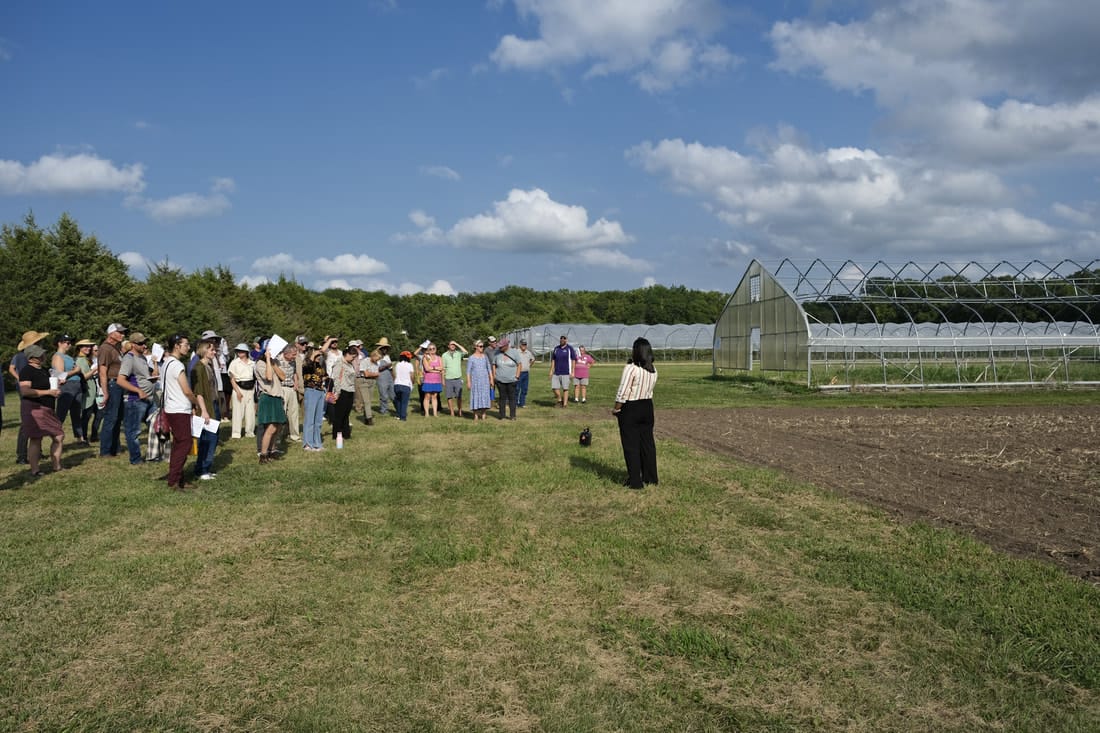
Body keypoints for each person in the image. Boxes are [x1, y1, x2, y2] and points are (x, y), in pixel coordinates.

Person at [161, 334, 207, 491]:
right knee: (184, 444)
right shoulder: (177, 365)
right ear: (177, 346)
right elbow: (186, 390)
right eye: (185, 344)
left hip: (171, 408)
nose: (188, 347)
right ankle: (174, 480)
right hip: (179, 409)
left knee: (179, 444)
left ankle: (179, 478)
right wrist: (196, 403)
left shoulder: (166, 363)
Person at [612, 338, 659, 490]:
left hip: (631, 407)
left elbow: (623, 391)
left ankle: (635, 481)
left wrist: (617, 408)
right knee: (647, 444)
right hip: (647, 406)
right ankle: (651, 477)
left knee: (631, 445)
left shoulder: (631, 368)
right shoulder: (653, 369)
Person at [17, 342, 65, 477]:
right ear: (32, 358)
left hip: (47, 408)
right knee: (36, 438)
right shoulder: (26, 370)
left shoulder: (43, 370)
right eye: (41, 354)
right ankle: (35, 470)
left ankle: (56, 466)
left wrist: (56, 388)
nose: (44, 355)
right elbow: (25, 391)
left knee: (59, 435)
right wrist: (48, 392)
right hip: (34, 407)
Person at [117, 332, 158, 465]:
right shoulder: (129, 358)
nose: (144, 345)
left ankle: (156, 454)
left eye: (145, 342)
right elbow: (120, 380)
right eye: (141, 343)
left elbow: (144, 376)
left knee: (156, 426)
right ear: (133, 344)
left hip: (149, 399)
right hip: (135, 400)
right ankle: (135, 459)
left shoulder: (142, 358)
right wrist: (138, 391)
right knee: (134, 431)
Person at [12, 330, 50, 464]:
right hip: (29, 391)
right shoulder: (22, 356)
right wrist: (19, 379)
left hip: (37, 391)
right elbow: (13, 369)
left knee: (37, 423)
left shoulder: (36, 355)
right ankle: (22, 455)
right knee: (26, 424)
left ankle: (36, 452)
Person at [189, 341, 221, 480]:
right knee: (207, 439)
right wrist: (203, 410)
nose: (214, 352)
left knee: (213, 438)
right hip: (206, 407)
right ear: (204, 351)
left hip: (214, 404)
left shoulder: (210, 366)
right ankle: (201, 469)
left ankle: (206, 467)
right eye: (212, 350)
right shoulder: (199, 367)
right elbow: (199, 392)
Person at [254, 342, 288, 463]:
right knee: (271, 427)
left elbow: (283, 377)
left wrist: (273, 363)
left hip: (277, 396)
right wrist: (268, 360)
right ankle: (263, 455)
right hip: (268, 396)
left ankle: (272, 450)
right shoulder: (259, 364)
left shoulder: (275, 362)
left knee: (278, 427)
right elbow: (268, 377)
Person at [97, 322, 127, 458]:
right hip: (112, 384)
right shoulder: (105, 348)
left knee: (117, 418)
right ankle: (105, 450)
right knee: (111, 417)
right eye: (120, 332)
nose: (122, 335)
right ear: (111, 334)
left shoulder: (116, 348)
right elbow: (102, 371)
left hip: (119, 385)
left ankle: (114, 448)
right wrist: (105, 391)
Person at [51, 335, 85, 440]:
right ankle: (56, 436)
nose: (69, 345)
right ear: (59, 343)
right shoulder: (58, 356)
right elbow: (60, 375)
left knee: (76, 413)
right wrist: (76, 371)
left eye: (70, 343)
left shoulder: (69, 357)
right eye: (66, 342)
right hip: (67, 386)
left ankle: (80, 437)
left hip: (76, 385)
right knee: (62, 413)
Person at [300, 345, 327, 451]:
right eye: (316, 353)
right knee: (310, 419)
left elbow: (324, 375)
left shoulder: (320, 364)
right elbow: (307, 369)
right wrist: (313, 355)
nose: (319, 354)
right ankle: (307, 443)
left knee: (318, 420)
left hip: (320, 391)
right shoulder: (306, 364)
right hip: (311, 391)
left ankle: (317, 443)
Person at [227, 344, 256, 439]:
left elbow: (255, 377)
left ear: (246, 352)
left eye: (242, 351)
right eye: (238, 351)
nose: (240, 352)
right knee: (237, 412)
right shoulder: (234, 363)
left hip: (250, 389)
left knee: (250, 412)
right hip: (239, 388)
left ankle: (250, 432)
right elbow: (232, 378)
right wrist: (238, 392)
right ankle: (236, 433)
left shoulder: (252, 363)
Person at [330, 346, 358, 439]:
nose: (353, 359)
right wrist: (337, 392)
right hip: (342, 391)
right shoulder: (339, 363)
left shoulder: (350, 364)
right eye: (352, 357)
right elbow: (336, 378)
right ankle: (337, 434)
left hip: (350, 390)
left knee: (346, 414)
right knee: (339, 414)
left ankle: (346, 434)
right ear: (347, 354)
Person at [73, 339, 97, 445]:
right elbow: (84, 377)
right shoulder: (80, 360)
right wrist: (94, 370)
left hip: (91, 392)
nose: (88, 348)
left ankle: (86, 437)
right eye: (85, 346)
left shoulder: (85, 359)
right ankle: (83, 438)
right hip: (87, 392)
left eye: (89, 346)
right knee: (85, 416)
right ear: (79, 348)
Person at [276, 343, 301, 443]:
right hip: (281, 388)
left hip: (291, 389)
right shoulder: (277, 360)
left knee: (294, 413)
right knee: (281, 413)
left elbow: (294, 372)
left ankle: (294, 435)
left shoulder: (293, 361)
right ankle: (277, 436)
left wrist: (296, 383)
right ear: (286, 354)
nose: (295, 357)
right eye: (293, 354)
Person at [492, 339, 521, 420]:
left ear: (506, 346)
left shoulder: (514, 352)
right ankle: (502, 415)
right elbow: (494, 364)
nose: (499, 347)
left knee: (512, 398)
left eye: (501, 346)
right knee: (502, 398)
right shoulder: (497, 353)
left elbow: (519, 364)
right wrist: (494, 376)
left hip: (512, 380)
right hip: (500, 380)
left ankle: (512, 416)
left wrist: (517, 376)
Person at [466, 340, 492, 421]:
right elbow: (468, 371)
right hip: (475, 381)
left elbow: (489, 368)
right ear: (476, 347)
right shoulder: (471, 358)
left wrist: (491, 379)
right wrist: (469, 382)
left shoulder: (485, 357)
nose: (482, 348)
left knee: (484, 396)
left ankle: (483, 415)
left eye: (482, 346)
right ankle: (476, 416)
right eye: (480, 346)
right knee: (476, 397)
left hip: (485, 381)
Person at [549, 334, 576, 408]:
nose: (562, 340)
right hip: (556, 372)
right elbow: (553, 360)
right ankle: (560, 400)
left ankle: (565, 404)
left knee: (565, 388)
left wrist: (573, 371)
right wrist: (551, 371)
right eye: (561, 338)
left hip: (566, 372)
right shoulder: (556, 348)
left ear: (566, 340)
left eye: (564, 338)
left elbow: (573, 360)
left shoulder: (570, 348)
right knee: (554, 388)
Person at [442, 339, 467, 416]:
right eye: (451, 344)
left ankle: (460, 411)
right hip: (448, 378)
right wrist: (442, 379)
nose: (453, 346)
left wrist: (456, 343)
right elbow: (443, 368)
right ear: (448, 346)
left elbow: (466, 352)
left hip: (458, 378)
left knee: (459, 396)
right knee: (449, 397)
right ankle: (452, 412)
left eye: (454, 345)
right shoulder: (444, 355)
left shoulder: (458, 354)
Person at [420, 342, 443, 416]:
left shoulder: (439, 358)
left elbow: (442, 368)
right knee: (427, 396)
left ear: (436, 349)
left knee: (435, 396)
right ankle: (427, 413)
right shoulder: (425, 358)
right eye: (430, 349)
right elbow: (427, 369)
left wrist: (432, 368)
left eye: (433, 348)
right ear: (428, 350)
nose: (432, 350)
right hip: (428, 380)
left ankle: (435, 413)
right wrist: (436, 370)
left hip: (437, 380)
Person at [357, 346, 379, 425]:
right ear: (373, 356)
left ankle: (366, 416)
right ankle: (369, 418)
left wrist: (373, 374)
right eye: (376, 358)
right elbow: (365, 374)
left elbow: (376, 374)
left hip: (372, 382)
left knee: (369, 401)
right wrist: (374, 374)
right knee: (366, 401)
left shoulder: (376, 363)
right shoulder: (365, 361)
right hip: (364, 382)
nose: (377, 360)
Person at [374, 337, 395, 416]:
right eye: (384, 348)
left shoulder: (387, 356)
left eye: (386, 348)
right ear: (380, 348)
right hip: (381, 377)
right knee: (383, 395)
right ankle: (384, 410)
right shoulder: (376, 356)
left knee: (393, 394)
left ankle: (398, 408)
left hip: (389, 376)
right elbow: (376, 369)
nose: (385, 349)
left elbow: (391, 368)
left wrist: (394, 377)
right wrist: (386, 366)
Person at [392, 350, 415, 421]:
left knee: (398, 400)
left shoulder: (397, 364)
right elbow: (412, 375)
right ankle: (403, 417)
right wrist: (413, 382)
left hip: (397, 384)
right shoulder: (410, 365)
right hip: (406, 385)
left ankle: (398, 415)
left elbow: (394, 374)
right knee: (404, 402)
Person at [515, 339, 536, 407]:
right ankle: (515, 403)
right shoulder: (516, 352)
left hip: (526, 373)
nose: (524, 346)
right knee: (517, 388)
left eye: (525, 344)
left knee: (524, 389)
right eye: (523, 344)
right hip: (518, 373)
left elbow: (533, 359)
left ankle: (522, 403)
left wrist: (529, 365)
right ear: (520, 345)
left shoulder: (528, 352)